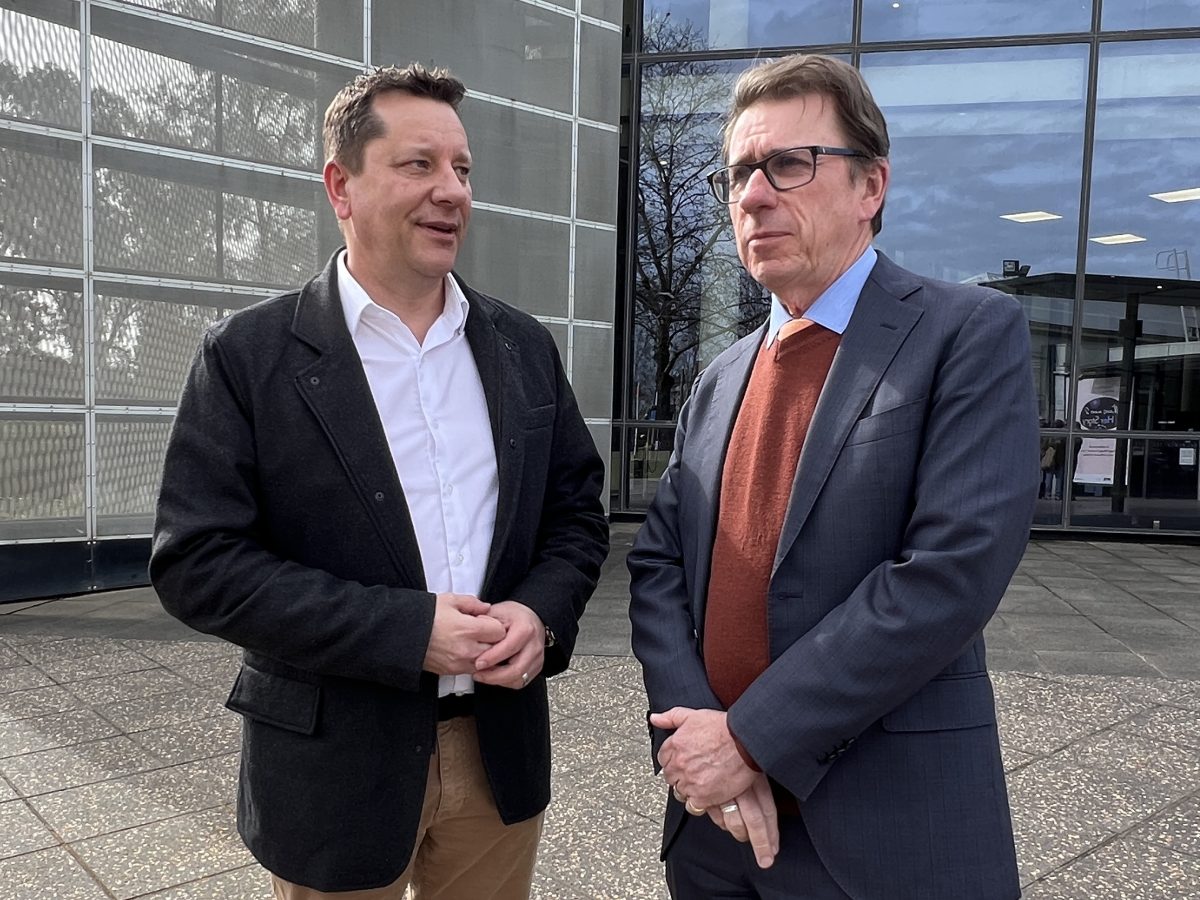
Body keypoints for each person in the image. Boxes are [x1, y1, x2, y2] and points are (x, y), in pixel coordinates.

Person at [150, 63, 608, 899]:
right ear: (341, 185)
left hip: (497, 754)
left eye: (463, 169)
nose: (453, 191)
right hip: (334, 764)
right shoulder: (249, 357)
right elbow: (198, 563)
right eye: (419, 165)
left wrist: (541, 613)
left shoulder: (523, 347)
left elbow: (577, 513)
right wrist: (403, 631)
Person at [628, 53, 1038, 900]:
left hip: (883, 832)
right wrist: (697, 740)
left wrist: (748, 739)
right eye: (740, 172)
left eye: (788, 164)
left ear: (870, 186)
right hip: (717, 829)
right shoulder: (721, 377)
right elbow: (658, 568)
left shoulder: (968, 334)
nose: (753, 195)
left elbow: (948, 575)